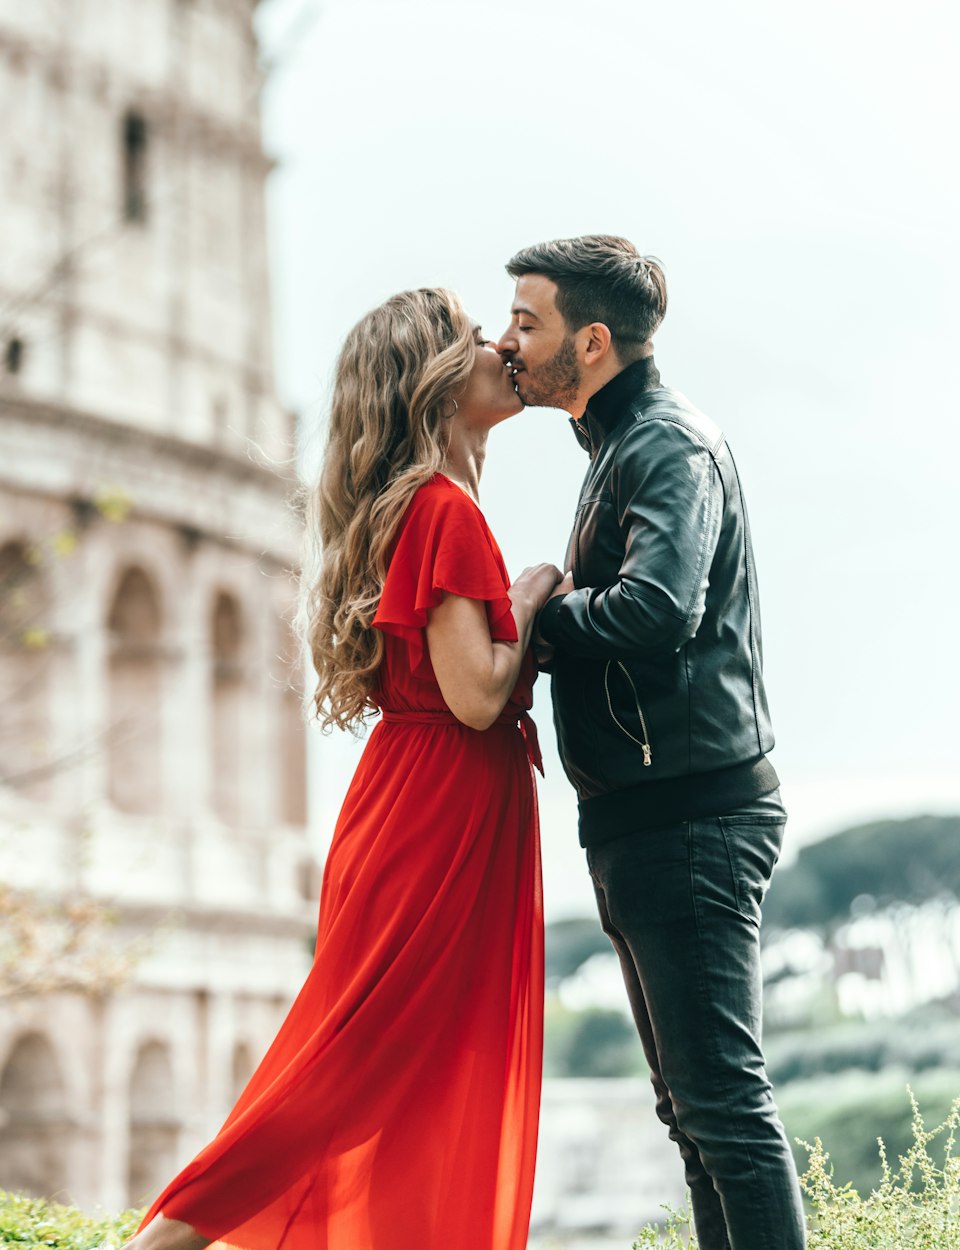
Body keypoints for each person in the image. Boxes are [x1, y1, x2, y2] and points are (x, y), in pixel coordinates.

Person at [119, 288, 562, 1250]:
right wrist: (528, 599)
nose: (501, 348)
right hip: (437, 815)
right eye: (476, 339)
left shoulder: (431, 505)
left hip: (425, 806)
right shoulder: (441, 511)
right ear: (437, 381)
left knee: (399, 1068)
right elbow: (477, 696)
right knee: (353, 1065)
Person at [497, 235, 806, 1250]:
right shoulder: (618, 448)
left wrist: (536, 613)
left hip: (690, 814)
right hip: (650, 813)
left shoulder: (665, 444)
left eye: (526, 323)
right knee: (693, 1110)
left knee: (722, 1106)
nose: (506, 342)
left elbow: (657, 608)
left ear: (589, 343)